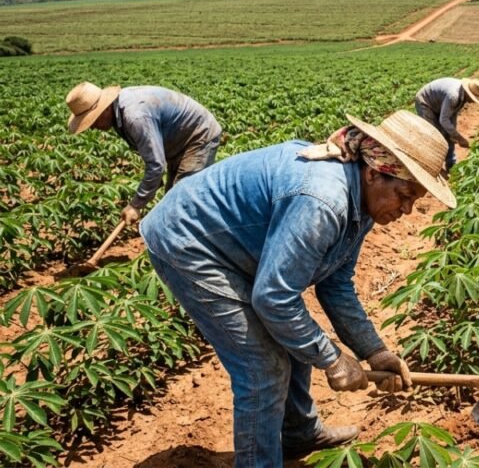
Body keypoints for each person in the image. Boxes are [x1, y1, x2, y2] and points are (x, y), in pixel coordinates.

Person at [139, 110, 456, 467]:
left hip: (236, 244)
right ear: (374, 173)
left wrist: (375, 352)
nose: (408, 210)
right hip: (189, 241)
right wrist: (332, 358)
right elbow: (273, 297)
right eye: (404, 195)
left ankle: (299, 433)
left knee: (294, 340)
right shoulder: (323, 200)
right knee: (263, 367)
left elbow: (336, 284)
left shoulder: (363, 202)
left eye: (415, 200)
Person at [65, 81, 222, 225]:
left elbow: (156, 165)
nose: (92, 127)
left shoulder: (135, 116)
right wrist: (152, 186)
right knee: (172, 200)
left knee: (182, 202)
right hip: (177, 142)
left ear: (104, 109)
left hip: (198, 136)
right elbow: (153, 157)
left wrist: (136, 204)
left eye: (92, 121)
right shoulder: (119, 111)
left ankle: (204, 242)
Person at [414, 77, 479, 170]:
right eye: (473, 98)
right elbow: (444, 120)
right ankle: (429, 164)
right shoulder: (453, 95)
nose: (473, 101)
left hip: (438, 104)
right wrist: (459, 138)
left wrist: (453, 134)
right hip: (425, 102)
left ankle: (451, 165)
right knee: (435, 135)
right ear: (468, 94)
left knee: (448, 133)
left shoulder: (461, 96)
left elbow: (451, 116)